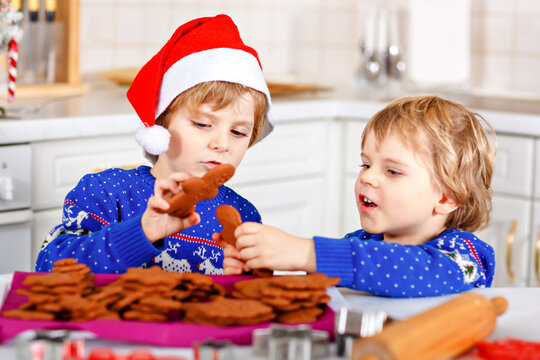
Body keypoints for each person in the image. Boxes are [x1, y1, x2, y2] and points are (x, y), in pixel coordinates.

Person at [35, 14, 273, 274]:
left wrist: (248, 275)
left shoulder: (243, 215)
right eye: (203, 124)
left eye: (238, 132)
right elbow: (49, 266)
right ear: (161, 124)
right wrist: (140, 233)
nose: (222, 143)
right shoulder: (106, 192)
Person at [222, 96, 496, 297]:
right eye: (365, 164)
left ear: (447, 197)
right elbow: (313, 290)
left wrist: (304, 251)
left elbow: (409, 270)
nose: (367, 177)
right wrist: (262, 270)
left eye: (392, 171)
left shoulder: (464, 257)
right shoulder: (358, 244)